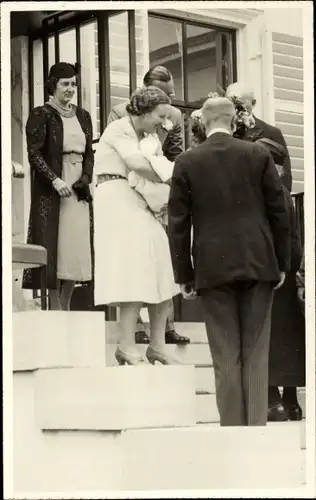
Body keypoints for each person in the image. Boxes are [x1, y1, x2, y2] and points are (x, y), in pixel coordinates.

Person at [168, 97, 291, 426]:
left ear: (204, 123)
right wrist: (282, 262)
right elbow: (280, 211)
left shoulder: (186, 161)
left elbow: (178, 223)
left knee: (224, 356)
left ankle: (233, 434)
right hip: (258, 261)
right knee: (255, 352)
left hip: (212, 265)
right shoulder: (257, 154)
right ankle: (255, 431)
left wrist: (184, 274)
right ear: (234, 121)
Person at [93, 86, 180, 366]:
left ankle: (157, 345)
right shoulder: (118, 129)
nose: (162, 122)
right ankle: (126, 346)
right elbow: (135, 163)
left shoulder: (150, 136)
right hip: (116, 194)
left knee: (160, 265)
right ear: (143, 110)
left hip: (141, 199)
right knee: (131, 268)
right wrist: (177, 175)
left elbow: (148, 166)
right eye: (160, 115)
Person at [108, 65, 189, 346]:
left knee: (163, 259)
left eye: (171, 95)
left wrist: (170, 188)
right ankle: (138, 328)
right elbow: (123, 156)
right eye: (163, 95)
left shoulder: (175, 116)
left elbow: (177, 151)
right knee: (137, 259)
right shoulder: (120, 114)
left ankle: (166, 327)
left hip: (161, 185)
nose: (169, 103)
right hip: (133, 185)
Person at [23, 62, 94, 310]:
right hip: (53, 188)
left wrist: (85, 177)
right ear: (53, 85)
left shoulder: (83, 116)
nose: (70, 89)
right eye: (65, 84)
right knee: (55, 247)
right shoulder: (41, 114)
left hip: (77, 188)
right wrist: (54, 179)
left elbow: (89, 154)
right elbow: (34, 154)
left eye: (74, 84)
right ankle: (54, 306)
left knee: (76, 248)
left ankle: (66, 302)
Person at [255, 139, 305, 422]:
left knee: (271, 333)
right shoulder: (284, 191)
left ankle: (274, 399)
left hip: (270, 271)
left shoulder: (264, 191)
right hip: (287, 265)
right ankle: (291, 399)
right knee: (290, 334)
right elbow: (293, 235)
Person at [226, 82, 292, 192]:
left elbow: (283, 177)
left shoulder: (270, 133)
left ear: (253, 103)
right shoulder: (220, 131)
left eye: (239, 103)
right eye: (229, 103)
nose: (234, 108)